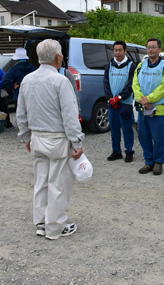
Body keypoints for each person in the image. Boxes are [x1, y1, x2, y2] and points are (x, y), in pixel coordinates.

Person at [16, 39, 85, 240]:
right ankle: (55, 226)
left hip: (37, 138)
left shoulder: (27, 79)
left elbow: (21, 113)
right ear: (57, 57)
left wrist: (26, 136)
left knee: (41, 182)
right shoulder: (60, 81)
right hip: (57, 139)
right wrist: (77, 142)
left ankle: (40, 222)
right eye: (61, 54)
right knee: (58, 184)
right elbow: (70, 115)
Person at [132, 38, 164, 175]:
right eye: (149, 47)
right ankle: (148, 162)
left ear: (160, 49)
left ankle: (158, 162)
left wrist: (149, 98)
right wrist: (141, 99)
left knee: (158, 137)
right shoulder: (141, 65)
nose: (151, 49)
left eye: (154, 47)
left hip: (158, 109)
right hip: (143, 108)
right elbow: (135, 84)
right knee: (143, 136)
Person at [104, 40, 136, 163]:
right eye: (115, 50)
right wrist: (110, 98)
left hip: (125, 103)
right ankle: (116, 151)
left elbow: (131, 84)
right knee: (114, 128)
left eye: (120, 50)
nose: (117, 53)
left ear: (125, 51)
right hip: (112, 103)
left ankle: (129, 151)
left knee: (127, 128)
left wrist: (120, 97)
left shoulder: (131, 66)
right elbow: (106, 83)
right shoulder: (109, 65)